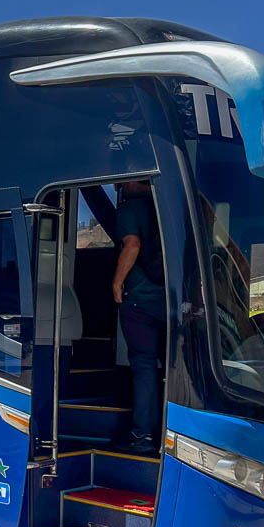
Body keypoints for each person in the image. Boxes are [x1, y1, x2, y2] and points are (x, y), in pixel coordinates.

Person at [112, 180, 165, 454]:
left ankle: (143, 435)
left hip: (140, 300)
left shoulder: (129, 210)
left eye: (119, 181)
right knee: (171, 367)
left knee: (144, 366)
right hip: (170, 300)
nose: (115, 187)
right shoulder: (167, 206)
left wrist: (117, 282)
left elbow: (132, 244)